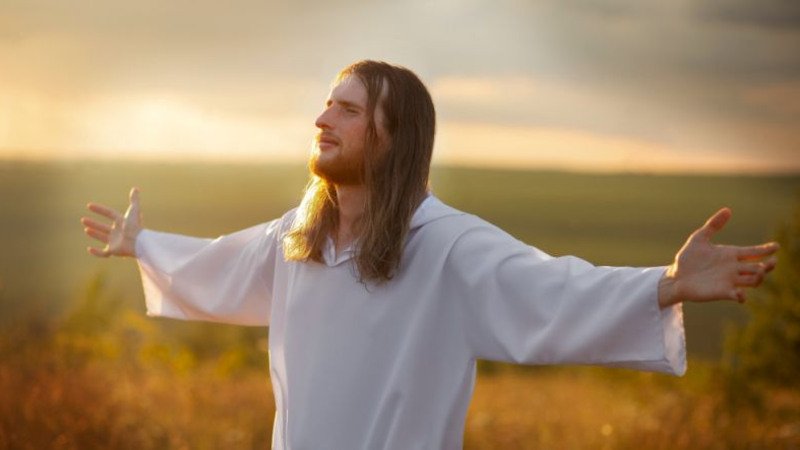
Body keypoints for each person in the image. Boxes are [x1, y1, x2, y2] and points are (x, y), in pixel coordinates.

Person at [81, 60, 778, 449]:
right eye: (325, 105)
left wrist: (665, 284)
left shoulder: (446, 245)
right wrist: (141, 242)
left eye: (348, 110)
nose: (323, 118)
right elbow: (218, 268)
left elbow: (550, 291)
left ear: (394, 136)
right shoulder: (299, 238)